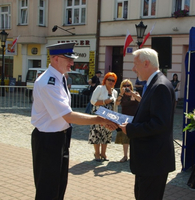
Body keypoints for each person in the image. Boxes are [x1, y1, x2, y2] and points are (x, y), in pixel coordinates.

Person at [31, 42, 117, 200]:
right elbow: (69, 116)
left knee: (59, 185)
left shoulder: (59, 78)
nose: (72, 63)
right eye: (68, 59)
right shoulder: (48, 82)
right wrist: (100, 119)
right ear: (56, 59)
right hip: (48, 140)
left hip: (60, 137)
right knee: (47, 189)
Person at [119, 48, 176, 200]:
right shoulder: (154, 84)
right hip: (149, 161)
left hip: (153, 161)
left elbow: (159, 124)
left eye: (135, 64)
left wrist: (130, 129)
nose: (133, 68)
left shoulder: (160, 86)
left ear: (146, 63)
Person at [88, 72, 118, 162]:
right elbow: (93, 101)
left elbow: (115, 106)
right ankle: (97, 153)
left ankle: (103, 153)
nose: (111, 82)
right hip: (98, 114)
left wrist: (115, 118)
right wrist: (105, 101)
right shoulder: (100, 88)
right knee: (96, 134)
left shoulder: (115, 92)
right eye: (109, 79)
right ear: (105, 80)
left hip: (109, 116)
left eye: (113, 80)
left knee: (107, 134)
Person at [115, 79, 141, 162]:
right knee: (125, 137)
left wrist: (132, 93)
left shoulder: (135, 93)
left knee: (134, 137)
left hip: (134, 118)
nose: (127, 87)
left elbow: (140, 100)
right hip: (125, 118)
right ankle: (125, 156)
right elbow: (117, 103)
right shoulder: (122, 96)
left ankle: (132, 155)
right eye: (125, 86)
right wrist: (121, 94)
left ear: (131, 86)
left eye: (128, 85)